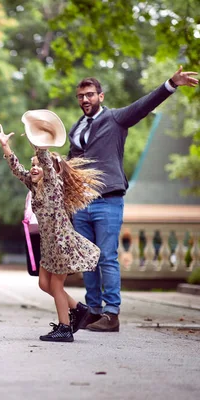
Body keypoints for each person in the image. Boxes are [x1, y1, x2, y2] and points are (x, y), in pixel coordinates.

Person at [68, 66, 198, 332]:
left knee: (106, 257)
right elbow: (73, 163)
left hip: (108, 200)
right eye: (81, 96)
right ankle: (92, 311)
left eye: (90, 94)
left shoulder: (115, 119)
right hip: (81, 203)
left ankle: (111, 313)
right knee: (87, 259)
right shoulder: (76, 127)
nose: (85, 100)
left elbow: (143, 104)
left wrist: (171, 84)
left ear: (101, 97)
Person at [0, 119, 103, 342]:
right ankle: (80, 310)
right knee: (44, 284)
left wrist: (39, 143)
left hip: (62, 242)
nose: (34, 167)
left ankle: (64, 327)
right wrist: (6, 146)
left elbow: (45, 160)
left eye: (39, 165)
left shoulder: (53, 184)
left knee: (55, 284)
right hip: (49, 245)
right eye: (32, 164)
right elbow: (16, 168)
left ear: (49, 170)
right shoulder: (33, 184)